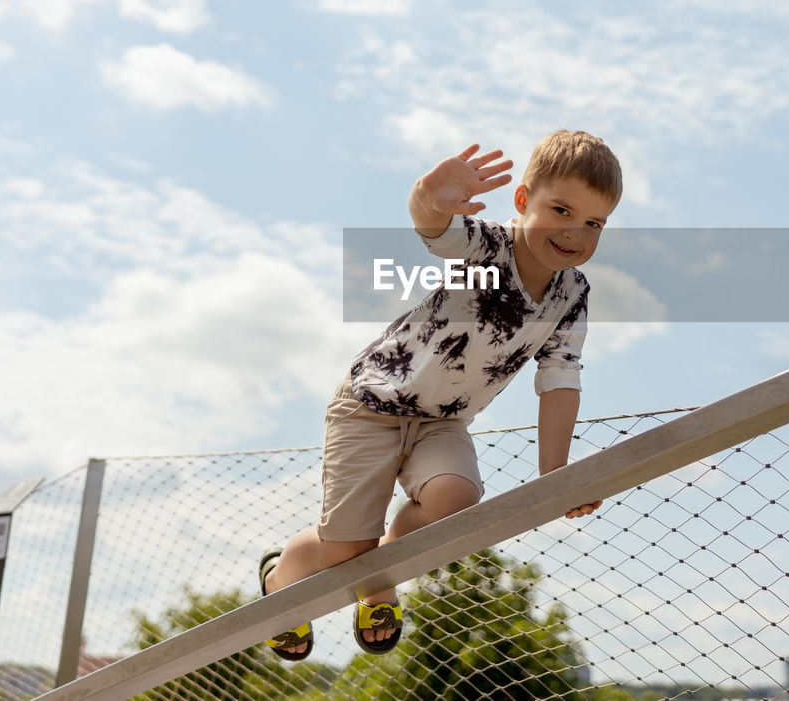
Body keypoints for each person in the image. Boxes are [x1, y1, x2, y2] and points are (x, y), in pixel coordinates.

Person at [258, 130, 623, 659]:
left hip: (441, 423)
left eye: (594, 223)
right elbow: (435, 229)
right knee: (344, 548)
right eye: (562, 210)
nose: (576, 233)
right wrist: (428, 197)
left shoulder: (572, 294)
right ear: (522, 202)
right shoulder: (491, 245)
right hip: (372, 405)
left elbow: (561, 377)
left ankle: (375, 579)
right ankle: (281, 583)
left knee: (456, 499)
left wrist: (555, 476)